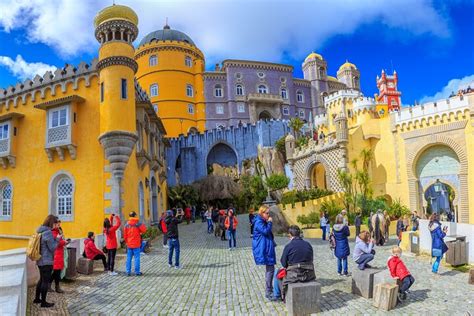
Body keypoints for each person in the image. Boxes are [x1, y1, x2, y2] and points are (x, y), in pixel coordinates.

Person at [273, 225, 315, 301]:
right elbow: (311, 260)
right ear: (299, 234)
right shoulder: (308, 244)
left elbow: (283, 263)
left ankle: (277, 295)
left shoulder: (288, 246)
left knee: (277, 272)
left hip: (293, 276)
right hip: (308, 274)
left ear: (290, 235)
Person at [33, 215, 60, 308]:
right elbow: (52, 248)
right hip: (46, 260)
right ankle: (43, 302)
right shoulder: (48, 232)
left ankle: (37, 299)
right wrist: (57, 239)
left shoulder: (40, 230)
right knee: (45, 281)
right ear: (51, 223)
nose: (56, 225)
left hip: (40, 260)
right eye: (55, 223)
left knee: (41, 280)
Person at [252, 205, 277, 300]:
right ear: (261, 213)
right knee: (270, 269)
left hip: (266, 247)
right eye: (267, 213)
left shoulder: (262, 221)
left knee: (270, 269)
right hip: (264, 249)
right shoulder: (259, 222)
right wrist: (270, 223)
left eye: (269, 213)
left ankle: (269, 290)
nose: (269, 215)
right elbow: (265, 231)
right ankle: (268, 291)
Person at [124, 211, 147, 276]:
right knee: (137, 258)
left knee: (128, 258)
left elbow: (125, 235)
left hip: (129, 244)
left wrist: (127, 242)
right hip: (136, 244)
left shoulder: (126, 224)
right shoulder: (137, 223)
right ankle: (137, 272)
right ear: (135, 216)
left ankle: (128, 271)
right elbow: (144, 230)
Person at [50, 220, 68, 293]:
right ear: (54, 224)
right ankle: (57, 287)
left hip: (59, 253)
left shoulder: (57, 231)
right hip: (57, 254)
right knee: (57, 272)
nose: (59, 226)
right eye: (58, 225)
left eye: (59, 224)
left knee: (57, 272)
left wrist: (64, 241)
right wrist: (65, 242)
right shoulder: (54, 232)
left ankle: (50, 285)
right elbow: (57, 243)